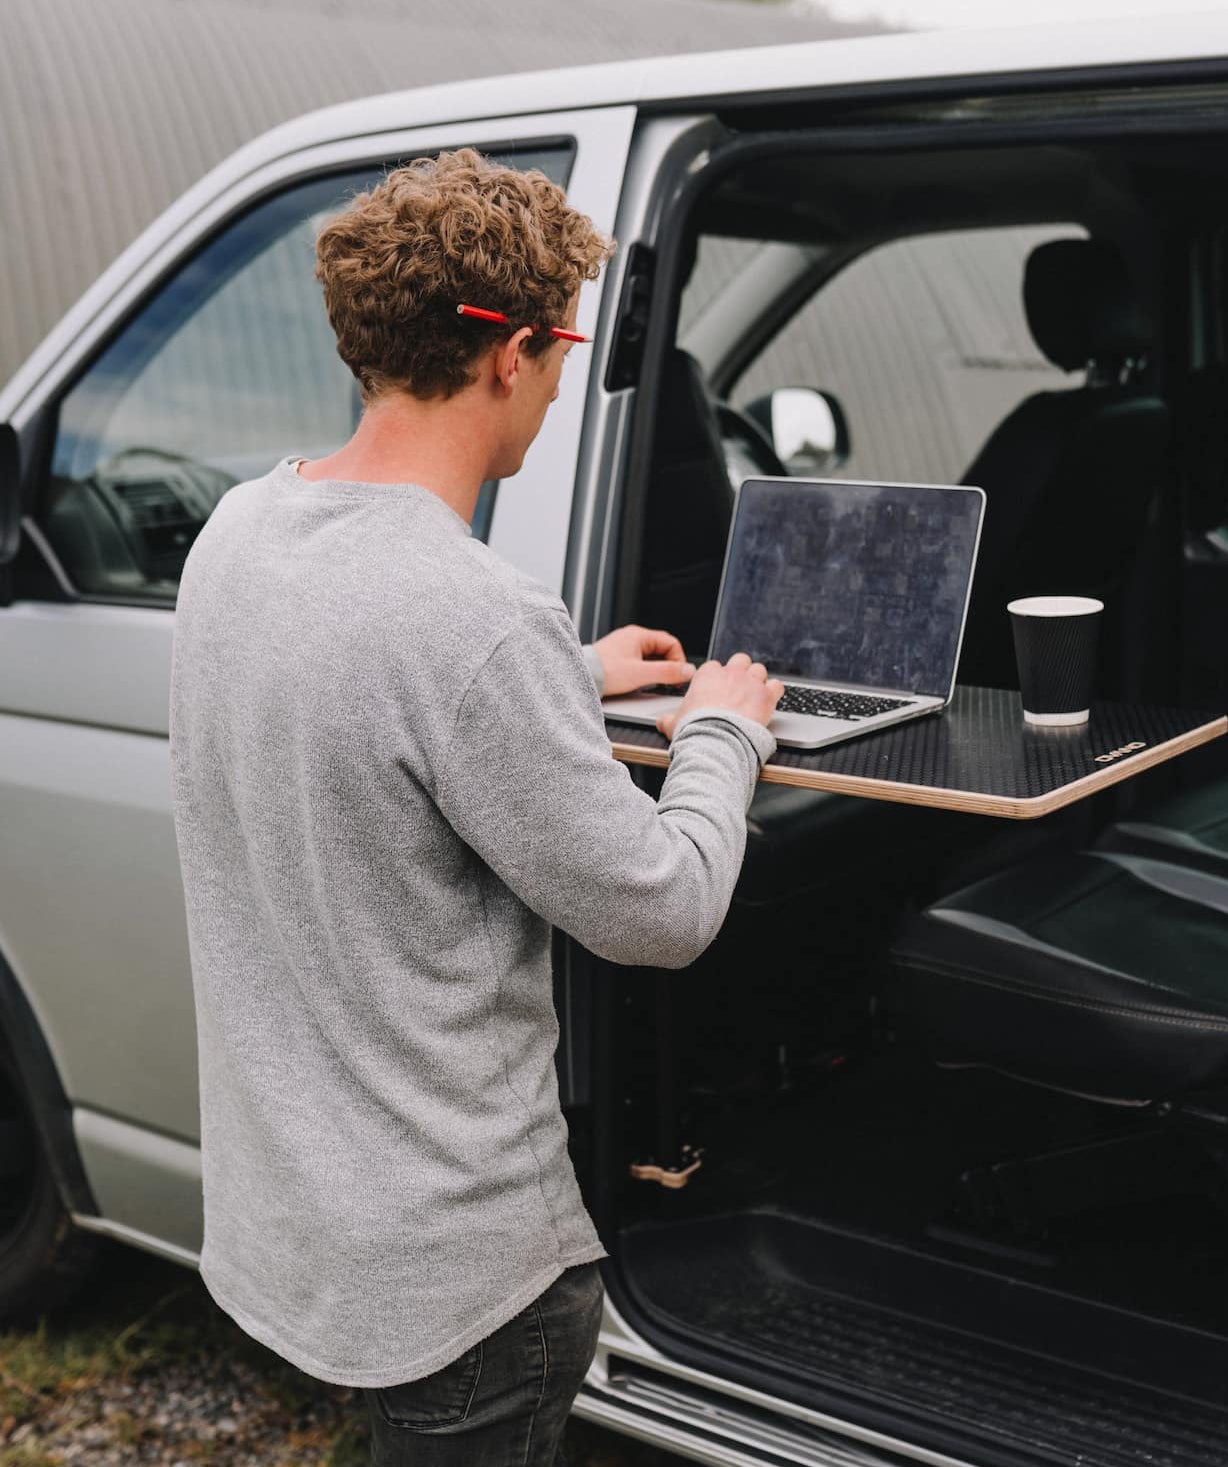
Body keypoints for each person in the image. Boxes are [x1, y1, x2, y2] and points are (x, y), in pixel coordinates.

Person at [168, 147, 782, 1466]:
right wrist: (726, 726)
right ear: (509, 355)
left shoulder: (237, 535)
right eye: (562, 353)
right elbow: (664, 910)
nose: (561, 386)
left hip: (318, 1242)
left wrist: (565, 673)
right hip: (468, 1286)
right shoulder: (476, 622)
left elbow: (365, 682)